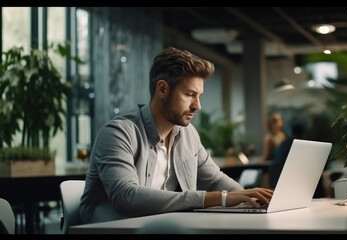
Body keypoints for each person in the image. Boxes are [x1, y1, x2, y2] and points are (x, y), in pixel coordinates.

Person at [79, 47, 273, 224]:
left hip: (162, 227)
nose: (197, 106)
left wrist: (252, 200)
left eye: (199, 96)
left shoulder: (188, 135)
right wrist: (219, 198)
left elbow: (214, 180)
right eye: (189, 94)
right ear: (163, 89)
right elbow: (126, 197)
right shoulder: (118, 133)